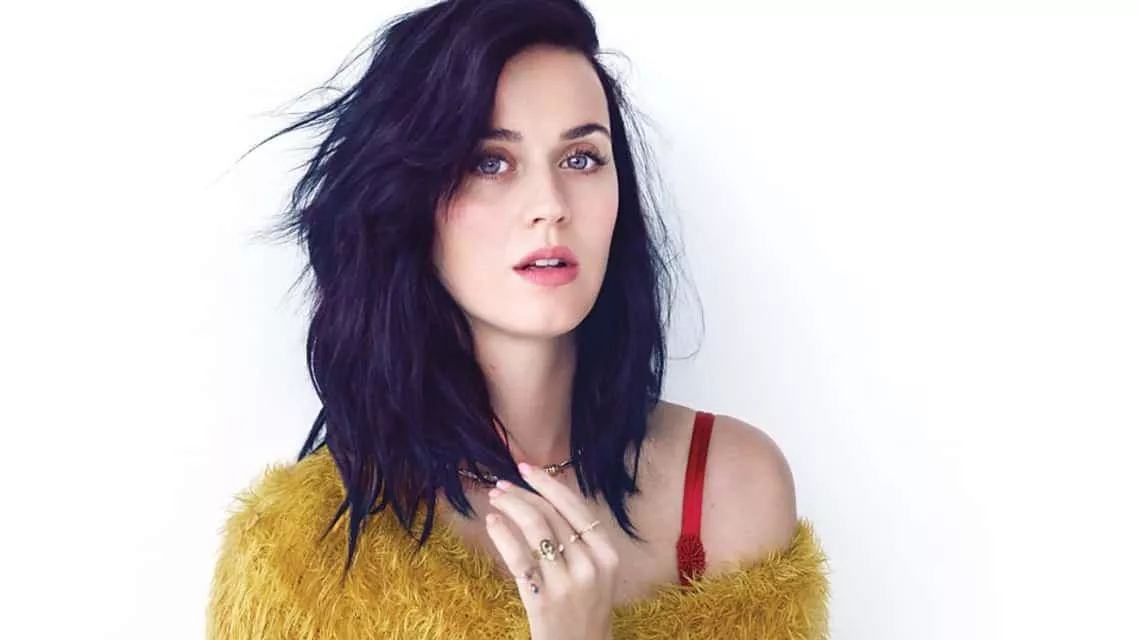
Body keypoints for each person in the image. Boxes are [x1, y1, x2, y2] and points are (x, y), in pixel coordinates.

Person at [206, 0, 829, 637]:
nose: (550, 205)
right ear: (412, 200)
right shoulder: (297, 554)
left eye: (581, 158)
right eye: (490, 162)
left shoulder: (730, 488)